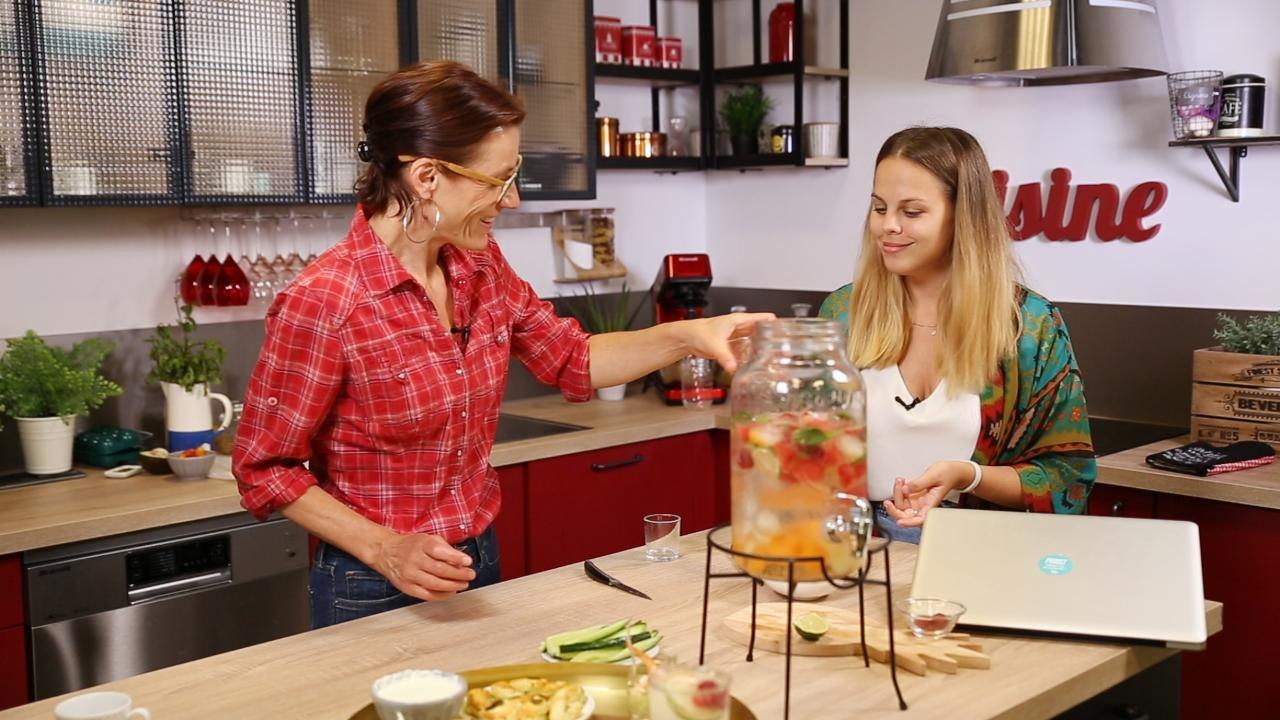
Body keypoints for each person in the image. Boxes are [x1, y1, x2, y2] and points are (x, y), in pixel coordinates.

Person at [233, 61, 771, 628]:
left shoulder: (480, 266)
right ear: (426, 178)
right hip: (370, 582)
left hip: (478, 556)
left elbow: (572, 358)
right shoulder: (327, 299)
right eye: (498, 180)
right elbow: (266, 468)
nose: (510, 200)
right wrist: (385, 548)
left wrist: (690, 335)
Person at [817, 126, 1095, 543]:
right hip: (857, 555)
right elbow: (805, 453)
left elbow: (1067, 477)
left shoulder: (1028, 325)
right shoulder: (843, 314)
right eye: (879, 208)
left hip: (981, 556)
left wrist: (970, 476)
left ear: (962, 217)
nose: (888, 226)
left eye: (911, 212)